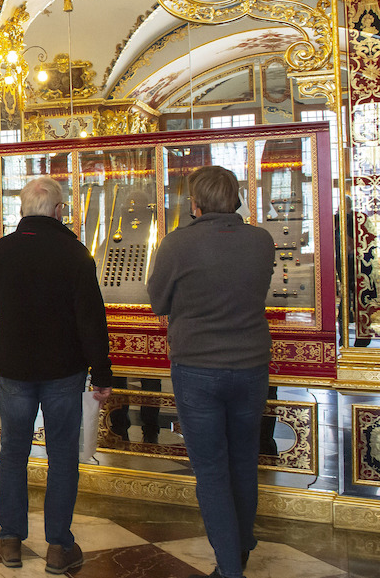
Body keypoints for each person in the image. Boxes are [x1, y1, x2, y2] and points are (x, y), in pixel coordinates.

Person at [0, 176, 112, 575]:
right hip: (63, 371)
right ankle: (59, 546)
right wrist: (101, 373)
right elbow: (91, 320)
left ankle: (10, 540)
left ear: (22, 209)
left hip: (15, 369)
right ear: (58, 210)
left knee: (13, 453)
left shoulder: (2, 251)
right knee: (62, 456)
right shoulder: (75, 254)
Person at [147, 166, 273, 578]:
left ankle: (229, 566)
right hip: (251, 365)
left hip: (197, 367)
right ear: (236, 198)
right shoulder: (261, 241)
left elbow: (159, 303)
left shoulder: (177, 243)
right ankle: (240, 550)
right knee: (242, 462)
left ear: (194, 202)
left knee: (212, 470)